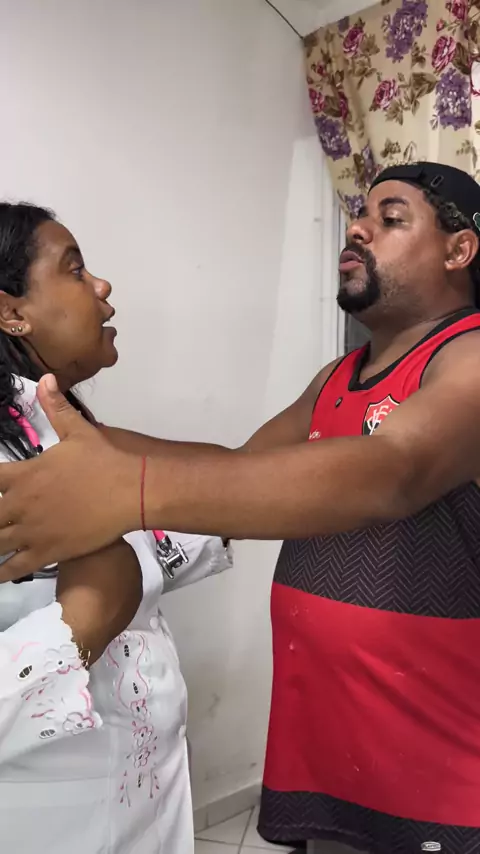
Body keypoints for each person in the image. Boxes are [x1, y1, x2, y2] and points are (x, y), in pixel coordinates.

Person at [0, 162, 480, 853]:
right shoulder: (337, 378)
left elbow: (395, 471)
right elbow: (243, 470)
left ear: (459, 250)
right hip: (331, 743)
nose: (358, 228)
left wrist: (130, 488)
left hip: (440, 751)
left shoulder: (469, 358)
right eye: (360, 213)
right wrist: (103, 460)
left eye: (391, 218)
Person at [0, 202, 233, 854]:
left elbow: (211, 486)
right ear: (11, 313)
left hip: (139, 794)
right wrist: (85, 618)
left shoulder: (64, 433)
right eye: (74, 269)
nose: (102, 286)